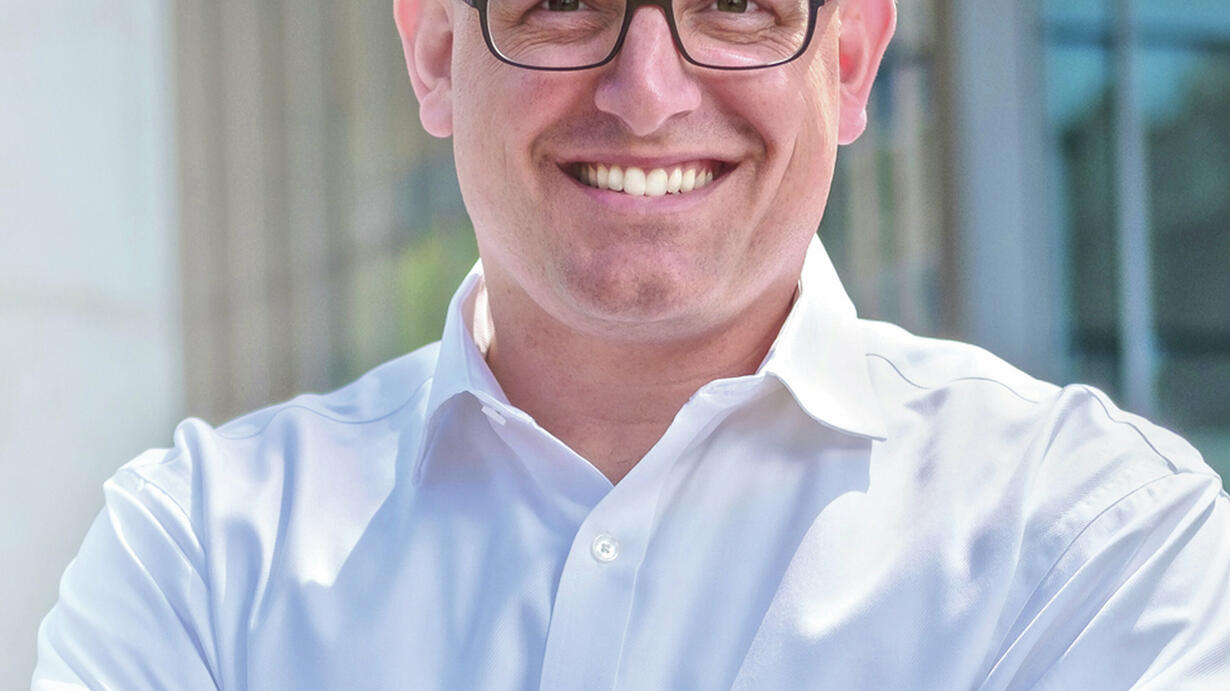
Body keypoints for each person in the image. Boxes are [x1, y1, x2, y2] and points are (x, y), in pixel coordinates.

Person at [33, 0, 1230, 688]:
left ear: (851, 60)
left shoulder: (1094, 540)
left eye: (737, 1)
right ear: (436, 50)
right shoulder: (198, 557)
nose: (647, 92)